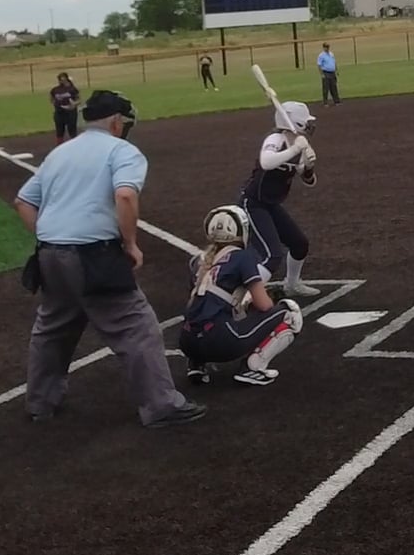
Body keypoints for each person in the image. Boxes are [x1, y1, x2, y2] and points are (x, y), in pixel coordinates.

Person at [15, 89, 205, 428]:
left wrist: (51, 238)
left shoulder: (61, 152)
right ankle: (161, 405)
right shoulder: (123, 151)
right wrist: (130, 244)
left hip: (49, 254)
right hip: (93, 255)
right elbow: (126, 195)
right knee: (136, 326)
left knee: (53, 328)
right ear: (117, 121)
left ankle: (40, 403)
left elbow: (23, 202)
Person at [177, 204, 305, 387]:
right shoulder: (242, 257)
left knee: (208, 314)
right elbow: (264, 305)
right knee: (290, 312)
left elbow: (201, 303)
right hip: (220, 342)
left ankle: (196, 365)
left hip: (187, 342)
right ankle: (252, 368)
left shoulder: (198, 261)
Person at [238, 99, 321, 298]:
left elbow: (309, 181)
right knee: (272, 256)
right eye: (305, 121)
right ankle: (239, 298)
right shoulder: (276, 139)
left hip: (271, 204)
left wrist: (308, 168)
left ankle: (291, 285)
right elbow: (266, 162)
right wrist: (294, 150)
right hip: (253, 203)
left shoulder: (300, 142)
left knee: (299, 244)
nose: (309, 125)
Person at [48, 73, 80, 143]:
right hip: (59, 112)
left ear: (67, 79)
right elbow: (51, 98)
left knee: (72, 130)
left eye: (64, 79)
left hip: (70, 112)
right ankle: (59, 144)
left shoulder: (72, 89)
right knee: (59, 130)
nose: (62, 81)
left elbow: (78, 99)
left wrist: (74, 104)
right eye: (61, 79)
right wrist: (55, 104)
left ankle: (74, 144)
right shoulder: (55, 89)